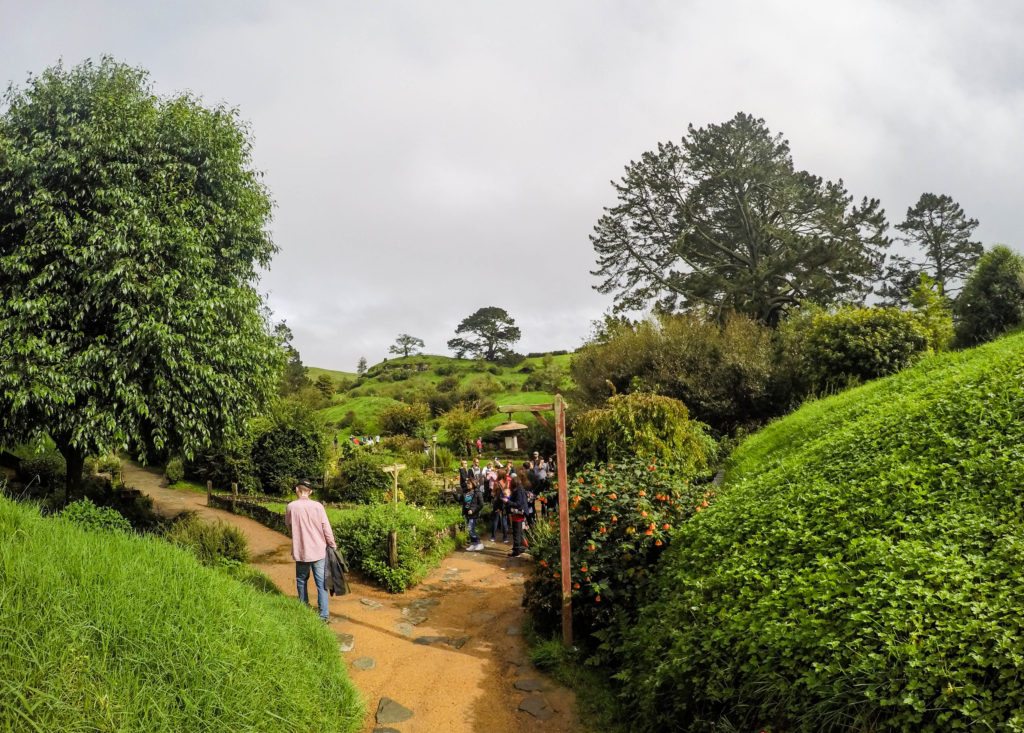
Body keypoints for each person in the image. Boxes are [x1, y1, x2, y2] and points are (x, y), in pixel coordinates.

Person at [284, 480, 337, 622]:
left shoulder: (291, 507)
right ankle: (323, 615)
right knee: (321, 584)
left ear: (296, 490)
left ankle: (304, 609)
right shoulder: (318, 506)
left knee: (301, 580)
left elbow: (288, 526)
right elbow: (326, 527)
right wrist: (332, 544)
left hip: (301, 551)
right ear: (311, 492)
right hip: (319, 551)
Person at [508, 476, 529, 557]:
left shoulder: (518, 491)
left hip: (518, 516)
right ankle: (519, 548)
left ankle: (516, 551)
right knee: (519, 532)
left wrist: (508, 501)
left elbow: (518, 504)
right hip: (519, 515)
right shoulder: (520, 490)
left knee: (516, 533)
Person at [462, 478, 484, 551]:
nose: (467, 485)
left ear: (473, 484)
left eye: (469, 483)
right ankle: (473, 544)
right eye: (467, 483)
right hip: (467, 513)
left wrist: (473, 510)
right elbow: (459, 499)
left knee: (471, 529)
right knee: (470, 529)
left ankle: (479, 543)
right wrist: (454, 493)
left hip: (474, 514)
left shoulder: (477, 492)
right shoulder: (466, 492)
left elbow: (481, 504)